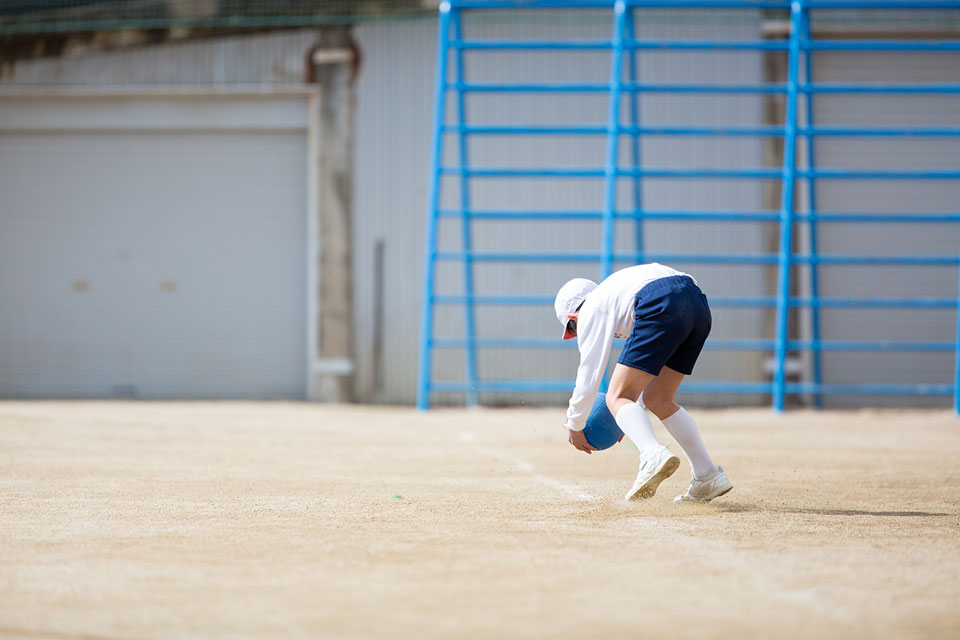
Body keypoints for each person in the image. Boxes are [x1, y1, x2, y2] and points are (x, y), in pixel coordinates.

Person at [554, 263, 733, 503]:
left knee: (616, 396)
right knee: (658, 398)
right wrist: (626, 418)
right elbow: (640, 380)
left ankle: (652, 455)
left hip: (660, 302)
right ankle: (707, 474)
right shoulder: (616, 293)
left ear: (573, 316)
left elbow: (589, 375)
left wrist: (575, 425)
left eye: (573, 328)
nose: (578, 332)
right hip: (696, 305)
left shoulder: (592, 309)